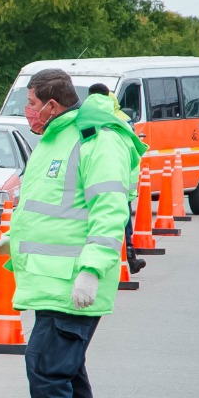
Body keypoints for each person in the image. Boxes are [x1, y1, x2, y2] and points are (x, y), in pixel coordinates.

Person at [2, 69, 144, 398]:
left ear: (51, 104)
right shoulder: (57, 138)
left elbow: (109, 211)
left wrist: (91, 269)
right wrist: (16, 236)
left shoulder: (96, 140)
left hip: (74, 285)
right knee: (65, 374)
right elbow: (54, 207)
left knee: (46, 369)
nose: (25, 112)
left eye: (29, 103)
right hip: (53, 281)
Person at [87, 82, 144, 273]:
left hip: (93, 179)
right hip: (124, 177)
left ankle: (114, 258)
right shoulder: (122, 119)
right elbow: (134, 151)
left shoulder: (84, 117)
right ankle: (129, 253)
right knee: (122, 217)